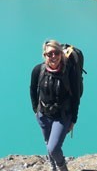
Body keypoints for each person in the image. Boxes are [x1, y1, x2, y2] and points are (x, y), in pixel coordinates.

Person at [30, 40, 80, 171]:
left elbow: (75, 96)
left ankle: (62, 168)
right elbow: (32, 89)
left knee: (53, 148)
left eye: (56, 52)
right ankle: (53, 168)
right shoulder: (38, 70)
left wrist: (74, 119)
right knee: (48, 144)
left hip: (62, 116)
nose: (53, 56)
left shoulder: (69, 72)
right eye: (49, 53)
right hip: (43, 115)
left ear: (61, 54)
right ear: (44, 55)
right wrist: (36, 109)